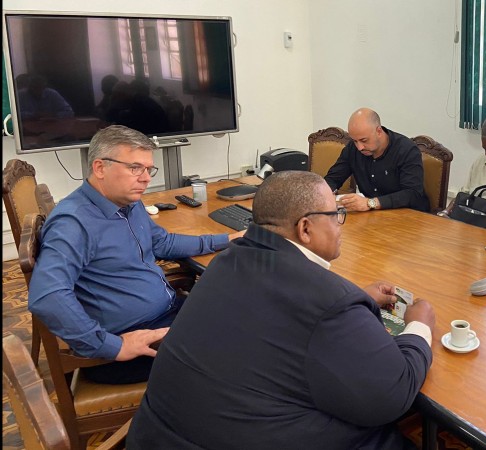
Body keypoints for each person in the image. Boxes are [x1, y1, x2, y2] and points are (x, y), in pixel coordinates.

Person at [128, 171, 435, 449]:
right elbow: (391, 394)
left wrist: (357, 299)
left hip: (157, 435)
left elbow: (280, 315)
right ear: (305, 228)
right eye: (336, 214)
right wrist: (419, 326)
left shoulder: (226, 262)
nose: (341, 224)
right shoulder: (329, 302)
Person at [27, 125, 244, 385]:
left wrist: (226, 240)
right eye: (134, 168)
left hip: (165, 315)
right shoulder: (74, 223)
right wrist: (113, 346)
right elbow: (47, 296)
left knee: (242, 312)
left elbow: (162, 242)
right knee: (246, 347)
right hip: (130, 346)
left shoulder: (126, 201)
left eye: (148, 169)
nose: (145, 178)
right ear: (100, 168)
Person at [324, 107, 429, 212]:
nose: (359, 147)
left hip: (407, 215)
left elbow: (412, 194)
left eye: (364, 140)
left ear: (379, 131)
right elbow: (333, 178)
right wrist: (326, 194)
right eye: (355, 141)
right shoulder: (353, 148)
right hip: (371, 215)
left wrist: (371, 203)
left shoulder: (406, 150)